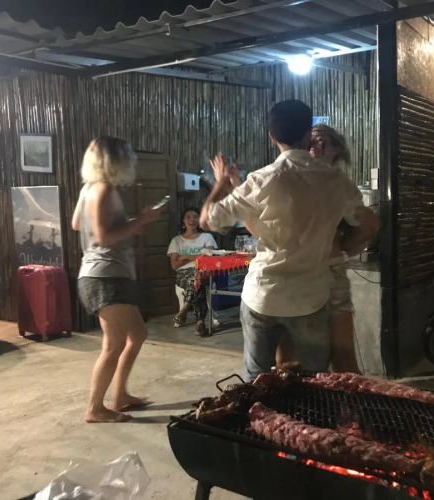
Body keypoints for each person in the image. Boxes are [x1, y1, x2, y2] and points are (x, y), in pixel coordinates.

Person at [200, 99, 378, 382]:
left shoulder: (264, 179)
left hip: (267, 294)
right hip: (309, 297)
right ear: (307, 133)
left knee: (259, 379)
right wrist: (343, 248)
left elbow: (208, 220)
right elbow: (368, 223)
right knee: (310, 379)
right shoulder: (334, 182)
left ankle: (261, 407)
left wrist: (222, 182)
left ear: (272, 137)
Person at [71, 136, 162, 423]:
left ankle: (120, 395)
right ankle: (95, 408)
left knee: (138, 334)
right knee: (113, 345)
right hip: (105, 276)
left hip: (107, 273)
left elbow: (77, 224)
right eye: (128, 157)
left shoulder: (89, 189)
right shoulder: (103, 190)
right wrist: (140, 221)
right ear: (115, 161)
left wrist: (127, 224)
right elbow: (103, 236)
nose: (132, 162)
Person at [275, 124, 371, 373]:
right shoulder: (290, 177)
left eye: (321, 140)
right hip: (293, 274)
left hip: (329, 273)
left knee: (343, 357)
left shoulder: (337, 184)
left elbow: (369, 224)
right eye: (310, 140)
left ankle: (346, 400)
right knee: (287, 360)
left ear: (337, 149)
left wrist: (343, 249)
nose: (314, 145)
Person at [168, 208, 217, 336]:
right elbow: (174, 264)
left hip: (203, 271)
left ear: (199, 220)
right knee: (196, 280)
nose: (192, 220)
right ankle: (200, 322)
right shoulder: (177, 241)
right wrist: (198, 257)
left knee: (198, 277)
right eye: (188, 217)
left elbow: (209, 259)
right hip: (183, 274)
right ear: (183, 221)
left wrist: (185, 257)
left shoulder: (207, 237)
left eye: (195, 216)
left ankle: (185, 308)